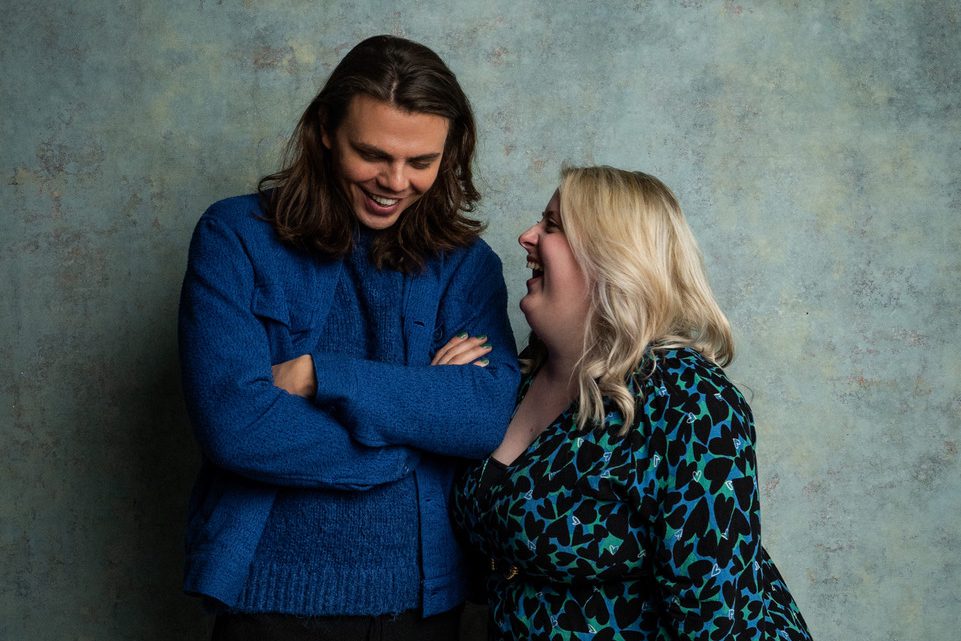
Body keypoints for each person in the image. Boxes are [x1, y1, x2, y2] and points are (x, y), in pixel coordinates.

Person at [178, 35, 520, 640]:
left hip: (420, 605)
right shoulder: (234, 238)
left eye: (422, 162)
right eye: (373, 154)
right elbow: (236, 426)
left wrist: (320, 375)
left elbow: (484, 414)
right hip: (267, 598)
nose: (395, 181)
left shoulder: (466, 265)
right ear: (327, 130)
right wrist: (414, 433)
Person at [451, 166, 812, 640]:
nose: (527, 236)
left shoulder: (691, 403)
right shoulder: (513, 376)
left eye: (553, 226)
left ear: (609, 259)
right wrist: (446, 394)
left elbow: (717, 623)